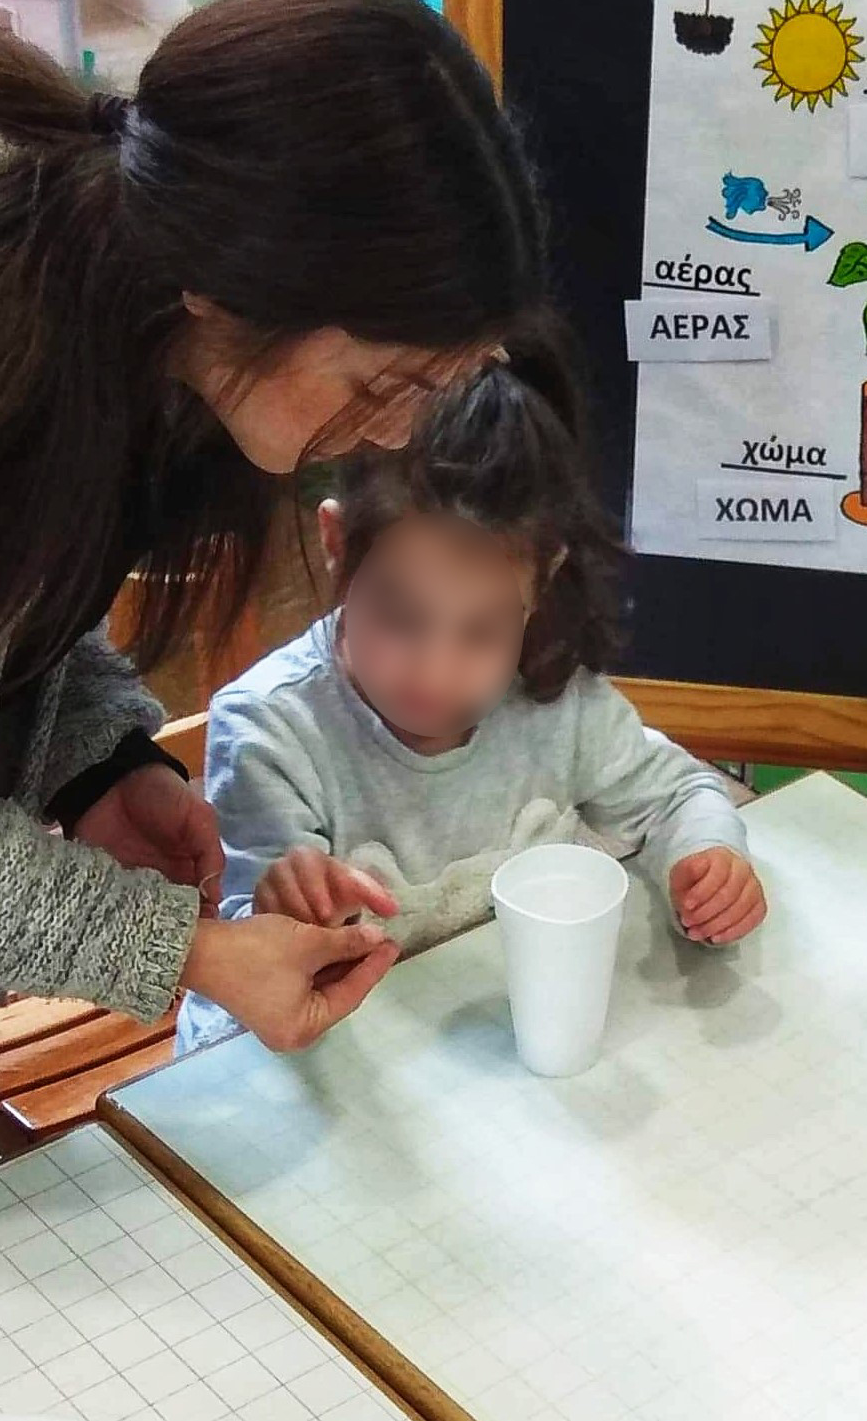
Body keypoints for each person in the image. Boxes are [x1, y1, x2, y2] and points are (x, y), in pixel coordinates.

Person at [0, 0, 545, 1290]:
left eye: (440, 387)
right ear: (231, 284)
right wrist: (187, 952)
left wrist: (98, 761)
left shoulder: (115, 262)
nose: (393, 433)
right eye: (383, 384)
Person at [177, 340, 765, 1052]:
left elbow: (678, 794)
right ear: (336, 542)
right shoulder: (271, 730)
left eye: (482, 632)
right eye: (400, 618)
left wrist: (708, 855)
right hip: (311, 1061)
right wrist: (288, 909)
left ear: (541, 582)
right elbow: (252, 969)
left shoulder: (554, 699)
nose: (435, 671)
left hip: (479, 1049)